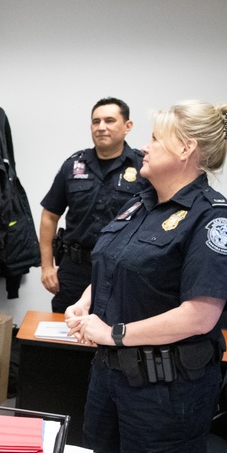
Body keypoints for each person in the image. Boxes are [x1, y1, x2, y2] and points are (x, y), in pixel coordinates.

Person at [65, 100, 227, 453]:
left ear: (186, 149)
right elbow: (114, 267)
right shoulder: (138, 205)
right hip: (109, 377)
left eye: (155, 139)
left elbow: (199, 317)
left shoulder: (213, 220)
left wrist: (112, 332)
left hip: (164, 392)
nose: (144, 147)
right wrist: (85, 304)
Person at [39, 98, 147, 312]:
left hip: (123, 268)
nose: (101, 127)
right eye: (96, 122)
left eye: (109, 121)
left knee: (117, 331)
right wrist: (46, 266)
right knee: (66, 332)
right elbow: (49, 215)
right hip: (75, 267)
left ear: (128, 126)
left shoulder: (143, 166)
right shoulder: (73, 165)